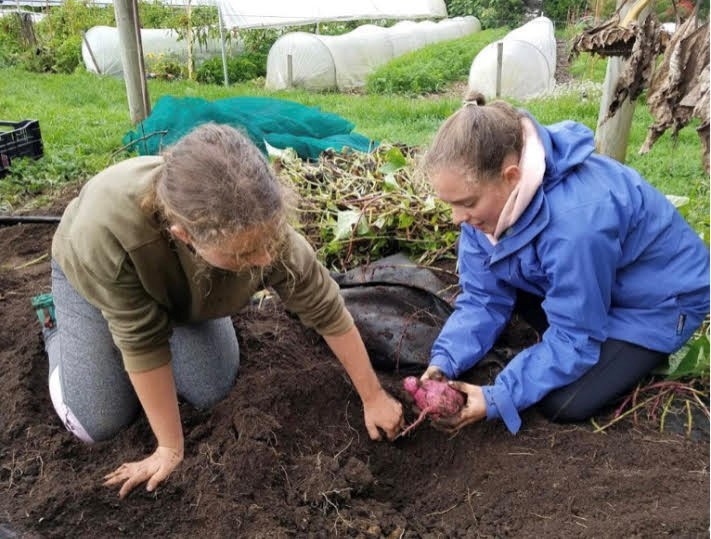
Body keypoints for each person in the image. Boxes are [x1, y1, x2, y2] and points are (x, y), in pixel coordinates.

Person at [44, 123, 404, 499]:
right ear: (184, 235)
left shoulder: (258, 226)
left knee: (212, 389)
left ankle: (175, 308)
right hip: (95, 277)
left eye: (269, 242)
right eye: (245, 254)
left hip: (181, 288)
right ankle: (56, 331)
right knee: (97, 422)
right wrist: (170, 448)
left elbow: (325, 307)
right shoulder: (112, 234)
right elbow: (142, 341)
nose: (265, 257)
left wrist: (373, 395)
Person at [419, 91, 710, 434]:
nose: (457, 218)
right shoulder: (482, 212)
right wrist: (445, 360)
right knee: (527, 321)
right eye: (450, 204)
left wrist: (499, 395)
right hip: (600, 283)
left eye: (465, 203)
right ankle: (590, 346)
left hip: (655, 303)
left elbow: (577, 334)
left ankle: (642, 353)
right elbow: (483, 298)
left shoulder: (576, 224)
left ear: (511, 177)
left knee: (564, 404)